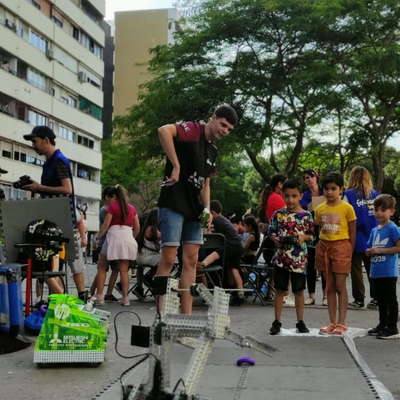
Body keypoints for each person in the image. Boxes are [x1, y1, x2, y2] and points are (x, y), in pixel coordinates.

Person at [156, 104, 238, 314]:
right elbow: (163, 130)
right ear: (213, 117)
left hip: (195, 209)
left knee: (191, 260)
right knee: (168, 257)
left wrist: (208, 209)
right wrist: (176, 165)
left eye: (229, 129)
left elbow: (206, 183)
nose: (224, 131)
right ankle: (161, 311)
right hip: (174, 202)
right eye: (223, 125)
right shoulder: (193, 129)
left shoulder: (213, 150)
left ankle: (187, 314)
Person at [23, 126, 86, 299]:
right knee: (55, 265)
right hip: (55, 219)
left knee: (68, 264)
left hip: (64, 220)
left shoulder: (58, 160)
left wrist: (39, 187)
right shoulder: (50, 162)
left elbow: (67, 189)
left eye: (35, 141)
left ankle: (77, 299)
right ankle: (59, 302)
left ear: (46, 139)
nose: (33, 145)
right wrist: (38, 187)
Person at [268, 179, 315, 335]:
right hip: (282, 258)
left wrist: (303, 237)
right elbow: (271, 230)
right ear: (282, 195)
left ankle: (300, 321)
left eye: (294, 196)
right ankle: (277, 321)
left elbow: (312, 235)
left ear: (300, 196)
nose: (290, 200)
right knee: (280, 289)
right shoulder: (278, 214)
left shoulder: (306, 215)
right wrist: (275, 238)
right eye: (287, 196)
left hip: (299, 259)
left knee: (299, 290)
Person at [315, 172, 357, 336]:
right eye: (326, 189)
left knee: (340, 286)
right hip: (324, 247)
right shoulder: (319, 209)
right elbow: (318, 227)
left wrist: (349, 251)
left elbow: (352, 233)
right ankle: (332, 322)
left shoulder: (347, 208)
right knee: (329, 286)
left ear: (341, 189)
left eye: (333, 188)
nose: (330, 192)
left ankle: (342, 322)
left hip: (341, 247)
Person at [94, 185, 139, 306]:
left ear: (114, 196)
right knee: (124, 270)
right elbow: (137, 227)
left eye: (110, 198)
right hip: (128, 239)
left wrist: (97, 237)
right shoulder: (132, 208)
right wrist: (131, 237)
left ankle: (100, 296)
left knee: (102, 267)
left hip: (113, 239)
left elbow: (106, 225)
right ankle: (125, 298)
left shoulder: (112, 207)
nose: (109, 201)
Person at [344, 166, 379, 310]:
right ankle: (376, 298)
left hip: (356, 235)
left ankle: (359, 299)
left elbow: (344, 214)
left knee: (356, 269)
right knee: (373, 269)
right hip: (373, 235)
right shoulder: (375, 195)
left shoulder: (349, 195)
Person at [366, 194, 400, 339]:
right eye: (376, 209)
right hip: (376, 271)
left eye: (383, 210)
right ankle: (382, 324)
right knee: (380, 300)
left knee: (390, 299)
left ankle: (392, 326)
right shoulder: (375, 230)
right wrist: (369, 252)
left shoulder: (392, 228)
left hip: (388, 271)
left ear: (391, 211)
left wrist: (380, 250)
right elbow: (371, 247)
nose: (379, 213)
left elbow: (398, 247)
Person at [198, 200, 244, 305]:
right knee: (234, 270)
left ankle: (203, 263)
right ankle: (241, 293)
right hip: (238, 245)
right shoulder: (223, 219)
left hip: (229, 244)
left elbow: (217, 236)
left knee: (215, 254)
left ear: (212, 212)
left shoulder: (217, 220)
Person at [259, 173, 288, 304]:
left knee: (275, 269)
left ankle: (270, 294)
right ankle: (284, 295)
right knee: (285, 266)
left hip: (271, 237)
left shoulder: (271, 196)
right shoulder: (277, 197)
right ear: (280, 185)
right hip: (277, 235)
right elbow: (289, 215)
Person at [300, 168, 327, 306]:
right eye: (306, 177)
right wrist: (308, 209)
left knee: (324, 265)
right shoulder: (304, 196)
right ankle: (311, 296)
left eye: (311, 176)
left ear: (317, 177)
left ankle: (326, 296)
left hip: (326, 231)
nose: (309, 179)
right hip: (310, 232)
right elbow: (302, 213)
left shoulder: (325, 192)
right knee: (311, 265)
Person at [90, 186, 120, 302]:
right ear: (108, 197)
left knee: (111, 268)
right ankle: (95, 291)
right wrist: (97, 239)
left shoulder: (109, 209)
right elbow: (106, 226)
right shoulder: (105, 210)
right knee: (103, 268)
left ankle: (106, 292)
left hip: (110, 240)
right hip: (106, 241)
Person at [135, 208, 162, 298]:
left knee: (163, 259)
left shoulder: (144, 228)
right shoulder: (152, 230)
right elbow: (164, 238)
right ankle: (150, 277)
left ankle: (144, 282)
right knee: (168, 260)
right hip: (146, 256)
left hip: (140, 256)